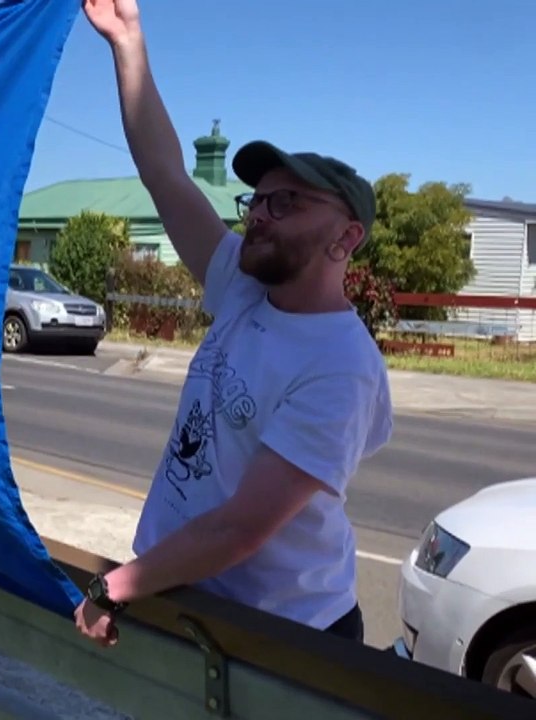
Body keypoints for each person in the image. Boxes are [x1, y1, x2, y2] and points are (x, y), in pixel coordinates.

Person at [73, 0, 393, 647]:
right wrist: (127, 40)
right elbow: (165, 175)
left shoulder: (341, 365)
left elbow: (241, 527)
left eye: (287, 202)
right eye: (258, 200)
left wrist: (117, 586)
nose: (260, 215)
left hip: (286, 638)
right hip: (190, 597)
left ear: (346, 237)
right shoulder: (245, 288)